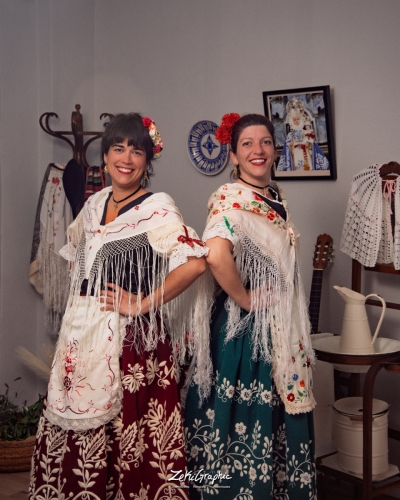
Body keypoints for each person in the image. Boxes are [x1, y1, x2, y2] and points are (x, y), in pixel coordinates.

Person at [29, 113, 209, 500]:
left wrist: (143, 302)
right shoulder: (94, 204)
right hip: (80, 338)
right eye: (118, 148)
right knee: (75, 426)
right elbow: (79, 264)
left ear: (148, 161)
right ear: (106, 156)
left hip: (132, 344)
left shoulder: (158, 207)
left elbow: (195, 262)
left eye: (137, 150)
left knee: (132, 440)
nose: (126, 158)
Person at [184, 113, 316, 499]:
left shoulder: (272, 197)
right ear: (233, 155)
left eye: (265, 143)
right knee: (242, 417)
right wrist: (244, 298)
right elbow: (216, 254)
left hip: (277, 325)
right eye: (247, 144)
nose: (257, 150)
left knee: (275, 410)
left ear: (274, 151)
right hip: (246, 333)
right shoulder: (230, 199)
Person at [277, 98, 330, 172]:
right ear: (292, 120)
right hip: (296, 154)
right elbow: (288, 147)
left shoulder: (305, 132)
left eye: (298, 119)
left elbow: (311, 144)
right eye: (294, 119)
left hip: (305, 153)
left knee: (308, 169)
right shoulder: (290, 134)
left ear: (301, 119)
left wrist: (308, 142)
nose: (296, 121)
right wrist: (291, 145)